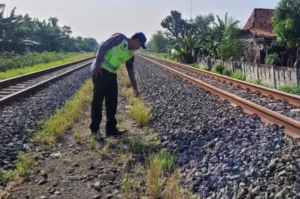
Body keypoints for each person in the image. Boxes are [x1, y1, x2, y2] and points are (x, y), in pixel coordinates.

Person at [89, 32, 147, 138]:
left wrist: (135, 88)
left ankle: (111, 129)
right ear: (137, 40)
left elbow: (130, 71)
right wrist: (97, 65)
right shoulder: (119, 38)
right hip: (100, 70)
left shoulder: (130, 54)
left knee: (112, 102)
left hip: (111, 74)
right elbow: (103, 46)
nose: (139, 48)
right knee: (98, 101)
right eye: (140, 45)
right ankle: (95, 130)